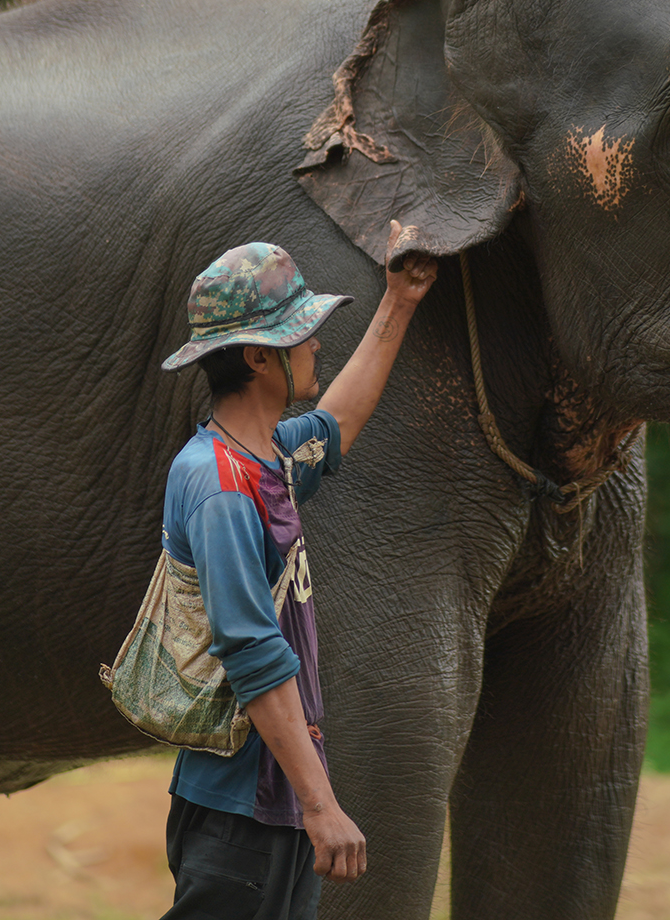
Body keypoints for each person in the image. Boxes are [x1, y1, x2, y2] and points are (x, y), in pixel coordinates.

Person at [154, 223, 438, 920]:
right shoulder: (221, 486)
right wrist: (321, 805)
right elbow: (252, 652)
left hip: (264, 802)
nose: (314, 343)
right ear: (257, 355)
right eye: (299, 333)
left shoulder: (266, 462)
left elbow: (338, 418)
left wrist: (399, 300)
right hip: (238, 811)